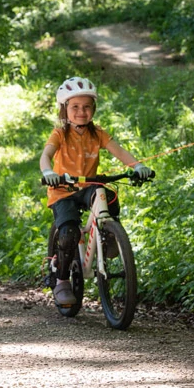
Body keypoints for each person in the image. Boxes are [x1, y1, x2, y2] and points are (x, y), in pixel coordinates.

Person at [39, 77, 154, 315]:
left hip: (88, 186)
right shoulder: (60, 133)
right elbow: (46, 155)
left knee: (109, 196)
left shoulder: (97, 133)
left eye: (87, 106)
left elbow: (119, 151)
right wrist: (48, 172)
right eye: (75, 107)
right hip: (63, 191)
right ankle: (61, 280)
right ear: (64, 109)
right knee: (69, 232)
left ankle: (109, 234)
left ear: (94, 108)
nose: (81, 112)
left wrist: (138, 166)